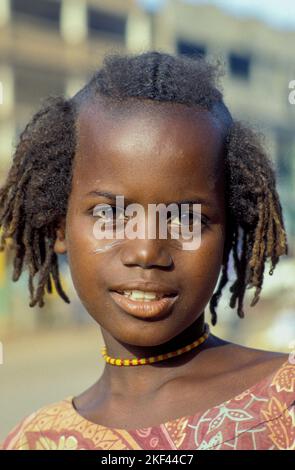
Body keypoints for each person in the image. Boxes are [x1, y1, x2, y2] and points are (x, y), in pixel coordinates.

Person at [0, 52, 294, 451]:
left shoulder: (285, 401)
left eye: (185, 219)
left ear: (230, 230)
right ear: (58, 225)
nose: (146, 250)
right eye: (110, 214)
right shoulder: (33, 441)